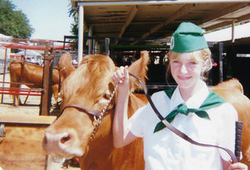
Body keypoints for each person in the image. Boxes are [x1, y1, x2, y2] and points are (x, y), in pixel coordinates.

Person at [112, 22, 248, 170]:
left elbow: (227, 165)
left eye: (192, 63)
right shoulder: (157, 103)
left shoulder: (223, 111)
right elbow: (120, 139)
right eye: (176, 62)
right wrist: (123, 92)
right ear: (169, 62)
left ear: (205, 63)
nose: (183, 71)